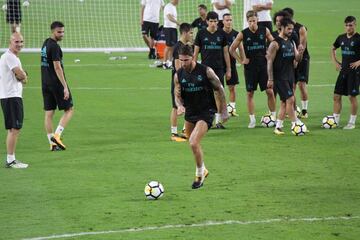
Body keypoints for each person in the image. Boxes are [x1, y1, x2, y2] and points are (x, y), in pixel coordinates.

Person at [173, 44, 229, 189]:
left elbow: (220, 89)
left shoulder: (206, 71)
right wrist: (179, 105)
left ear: (193, 57)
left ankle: (199, 175)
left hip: (206, 111)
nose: (183, 63)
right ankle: (203, 168)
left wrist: (223, 110)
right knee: (193, 144)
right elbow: (177, 94)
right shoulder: (178, 75)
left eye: (186, 60)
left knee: (193, 142)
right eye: (181, 60)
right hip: (190, 112)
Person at [229, 10, 275, 128]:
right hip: (250, 68)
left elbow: (274, 43)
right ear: (247, 21)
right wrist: (241, 61)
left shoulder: (264, 30)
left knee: (269, 91)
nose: (252, 23)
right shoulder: (243, 34)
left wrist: (270, 54)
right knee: (250, 93)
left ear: (257, 20)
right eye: (250, 21)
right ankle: (252, 120)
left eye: (254, 21)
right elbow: (231, 49)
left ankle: (274, 117)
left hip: (264, 66)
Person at [267, 17, 305, 135]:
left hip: (290, 76)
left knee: (284, 102)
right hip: (280, 77)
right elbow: (269, 61)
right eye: (288, 29)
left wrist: (300, 51)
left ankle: (278, 127)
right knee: (291, 99)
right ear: (282, 28)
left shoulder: (291, 42)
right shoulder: (275, 43)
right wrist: (270, 78)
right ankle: (295, 124)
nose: (291, 31)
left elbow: (297, 60)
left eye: (292, 29)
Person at [194, 11, 231, 129]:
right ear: (207, 22)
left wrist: (229, 69)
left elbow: (226, 53)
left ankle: (218, 121)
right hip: (205, 69)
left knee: (219, 93)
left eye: (215, 21)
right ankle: (204, 119)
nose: (213, 24)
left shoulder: (222, 34)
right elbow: (195, 53)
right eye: (211, 21)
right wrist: (194, 68)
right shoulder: (201, 34)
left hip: (219, 68)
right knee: (205, 94)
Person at [41, 21, 74, 151]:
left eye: (63, 31)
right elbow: (57, 67)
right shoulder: (54, 47)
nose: (62, 34)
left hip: (45, 83)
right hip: (56, 84)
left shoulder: (45, 43)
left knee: (49, 113)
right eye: (59, 32)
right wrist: (65, 86)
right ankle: (57, 136)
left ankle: (52, 144)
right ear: (53, 31)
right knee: (69, 109)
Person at [0, 32, 28, 168]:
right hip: (11, 96)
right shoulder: (10, 57)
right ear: (10, 42)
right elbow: (20, 74)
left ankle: (11, 159)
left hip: (11, 96)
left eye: (21, 42)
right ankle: (10, 160)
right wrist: (24, 76)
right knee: (14, 128)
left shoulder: (11, 57)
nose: (19, 44)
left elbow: (20, 76)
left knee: (14, 128)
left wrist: (23, 76)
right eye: (16, 42)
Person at [331, 16, 360, 129]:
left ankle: (352, 122)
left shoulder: (358, 38)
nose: (348, 27)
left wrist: (359, 62)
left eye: (351, 25)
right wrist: (335, 62)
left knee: (351, 97)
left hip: (354, 72)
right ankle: (335, 121)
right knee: (336, 96)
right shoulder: (341, 38)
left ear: (355, 25)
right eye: (347, 25)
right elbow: (333, 48)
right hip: (343, 72)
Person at [283, 7, 310, 118]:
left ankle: (304, 110)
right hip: (291, 59)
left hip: (302, 59)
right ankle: (292, 110)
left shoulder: (301, 28)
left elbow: (302, 46)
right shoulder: (285, 28)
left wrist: (297, 60)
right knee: (292, 85)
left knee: (301, 84)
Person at [170, 23, 194, 141]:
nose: (192, 35)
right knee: (176, 106)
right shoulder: (178, 48)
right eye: (191, 33)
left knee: (188, 105)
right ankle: (174, 132)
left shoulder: (186, 46)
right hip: (178, 81)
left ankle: (185, 130)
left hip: (186, 80)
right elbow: (178, 68)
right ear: (184, 33)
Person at [222, 13, 239, 116]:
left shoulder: (236, 34)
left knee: (232, 87)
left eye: (230, 20)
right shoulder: (219, 33)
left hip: (232, 63)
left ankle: (232, 109)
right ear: (223, 21)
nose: (228, 22)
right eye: (227, 20)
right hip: (219, 63)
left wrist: (242, 59)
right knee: (219, 88)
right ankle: (221, 110)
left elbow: (241, 48)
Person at [163, 0, 180, 69]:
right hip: (168, 28)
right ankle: (164, 63)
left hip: (173, 28)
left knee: (173, 46)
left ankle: (169, 62)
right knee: (168, 46)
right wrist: (178, 23)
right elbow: (169, 17)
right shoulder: (168, 6)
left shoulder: (174, 7)